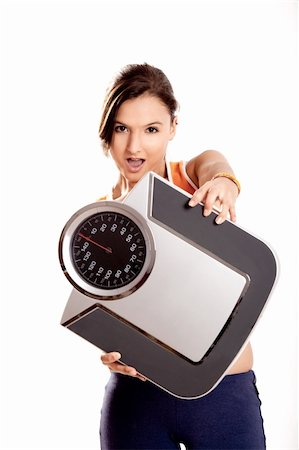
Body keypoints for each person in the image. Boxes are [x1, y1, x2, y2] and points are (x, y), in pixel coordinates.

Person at [98, 63, 266, 449]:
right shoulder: (97, 222)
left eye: (151, 129)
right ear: (107, 132)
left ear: (173, 128)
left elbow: (214, 163)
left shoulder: (190, 181)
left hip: (223, 399)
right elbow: (107, 318)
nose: (135, 146)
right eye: (122, 128)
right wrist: (110, 353)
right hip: (136, 402)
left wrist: (224, 181)